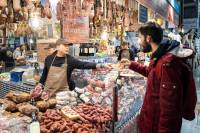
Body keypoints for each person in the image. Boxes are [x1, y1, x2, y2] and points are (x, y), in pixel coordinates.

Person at [120, 22, 197, 133]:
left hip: (156, 126)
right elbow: (151, 73)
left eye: (140, 38)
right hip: (151, 121)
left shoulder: (167, 64)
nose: (138, 42)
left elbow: (169, 109)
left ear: (148, 39)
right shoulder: (159, 57)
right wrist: (131, 64)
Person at [32, 38, 111, 100]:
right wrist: (39, 85)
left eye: (68, 46)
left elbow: (84, 64)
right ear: (58, 47)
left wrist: (101, 65)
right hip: (48, 94)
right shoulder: (49, 59)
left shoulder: (70, 60)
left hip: (63, 96)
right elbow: (44, 75)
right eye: (65, 45)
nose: (67, 48)